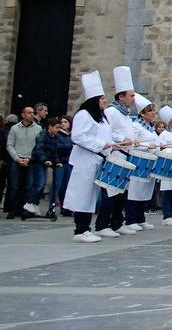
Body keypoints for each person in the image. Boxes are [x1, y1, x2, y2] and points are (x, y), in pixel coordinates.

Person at [64, 71, 117, 243]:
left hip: (97, 158)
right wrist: (101, 145)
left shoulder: (101, 117)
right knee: (83, 194)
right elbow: (78, 136)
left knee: (91, 195)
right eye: (102, 98)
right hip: (86, 159)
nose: (105, 101)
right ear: (94, 100)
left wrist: (115, 143)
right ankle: (80, 229)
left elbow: (106, 135)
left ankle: (86, 227)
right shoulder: (84, 115)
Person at [94, 66, 138, 238]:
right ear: (121, 96)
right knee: (110, 191)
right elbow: (106, 131)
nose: (133, 99)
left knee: (122, 192)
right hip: (115, 154)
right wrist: (121, 139)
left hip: (126, 154)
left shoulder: (126, 114)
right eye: (131, 95)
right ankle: (102, 224)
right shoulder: (112, 112)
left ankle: (117, 222)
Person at [123, 94, 160, 232]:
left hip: (149, 162)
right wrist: (146, 146)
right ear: (142, 114)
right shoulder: (136, 126)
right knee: (135, 191)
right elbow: (132, 144)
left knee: (144, 191)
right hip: (138, 161)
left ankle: (140, 218)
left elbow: (155, 142)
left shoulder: (150, 127)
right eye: (150, 111)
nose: (153, 114)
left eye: (153, 111)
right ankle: (130, 219)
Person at [5, 105, 41, 218]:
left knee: (28, 185)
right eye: (29, 113)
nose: (31, 115)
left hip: (30, 160)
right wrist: (17, 158)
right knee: (14, 185)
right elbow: (10, 145)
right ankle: (12, 209)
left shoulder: (38, 129)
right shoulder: (15, 128)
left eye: (33, 113)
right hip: (17, 159)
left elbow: (38, 146)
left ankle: (24, 209)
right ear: (23, 115)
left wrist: (29, 158)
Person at [29, 116, 64, 215]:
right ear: (50, 127)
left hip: (44, 163)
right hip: (37, 162)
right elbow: (39, 150)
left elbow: (54, 152)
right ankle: (30, 202)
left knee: (43, 185)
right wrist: (45, 160)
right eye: (57, 127)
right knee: (39, 184)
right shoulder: (42, 136)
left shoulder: (54, 137)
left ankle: (34, 204)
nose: (58, 130)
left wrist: (57, 162)